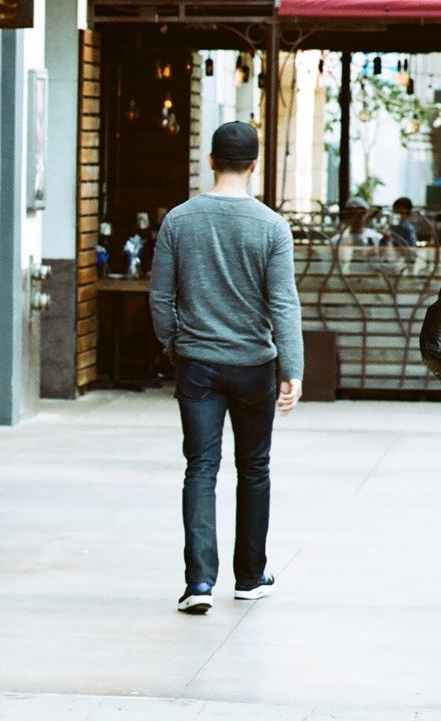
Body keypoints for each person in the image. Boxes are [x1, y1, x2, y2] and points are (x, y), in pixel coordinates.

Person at [149, 121, 303, 615]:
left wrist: (175, 344)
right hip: (254, 366)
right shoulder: (271, 226)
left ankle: (198, 584)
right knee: (254, 468)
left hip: (197, 365)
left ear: (211, 160)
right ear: (254, 165)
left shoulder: (179, 220)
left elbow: (159, 297)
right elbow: (283, 304)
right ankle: (250, 576)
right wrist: (292, 367)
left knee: (201, 468)